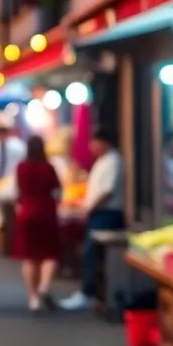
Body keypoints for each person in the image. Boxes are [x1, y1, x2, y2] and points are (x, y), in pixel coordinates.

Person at [60, 132, 126, 311]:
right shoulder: (103, 160)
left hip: (106, 213)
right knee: (91, 253)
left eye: (93, 143)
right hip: (97, 212)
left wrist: (90, 208)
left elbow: (107, 191)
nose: (91, 147)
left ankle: (89, 292)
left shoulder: (114, 161)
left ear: (103, 142)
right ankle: (90, 292)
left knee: (93, 253)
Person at [13, 135, 62, 312]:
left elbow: (17, 190)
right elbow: (57, 189)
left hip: (26, 212)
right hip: (46, 212)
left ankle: (32, 297)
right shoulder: (48, 167)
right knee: (49, 254)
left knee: (29, 256)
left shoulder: (21, 167)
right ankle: (44, 287)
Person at [0, 115, 26, 183]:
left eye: (4, 130)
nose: (2, 133)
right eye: (0, 130)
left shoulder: (19, 146)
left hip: (13, 184)